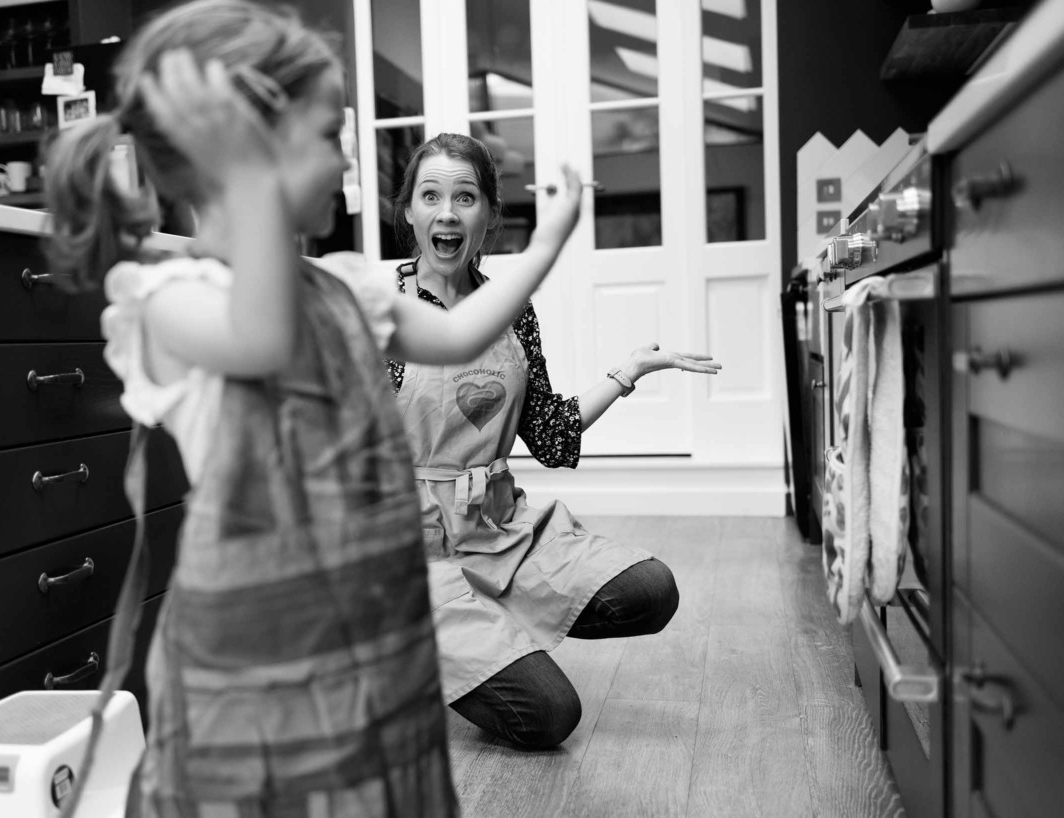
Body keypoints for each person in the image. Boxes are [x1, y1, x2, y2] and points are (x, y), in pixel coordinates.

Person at [41, 4, 586, 815]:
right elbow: (263, 339)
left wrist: (545, 245)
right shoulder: (169, 299)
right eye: (326, 134)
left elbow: (463, 328)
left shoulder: (354, 286)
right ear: (242, 151)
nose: (343, 158)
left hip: (374, 628)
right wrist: (249, 165)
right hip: (255, 658)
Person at [386, 133, 722, 750]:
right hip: (409, 555)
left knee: (651, 591)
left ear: (488, 214)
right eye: (430, 196)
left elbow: (548, 432)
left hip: (497, 530)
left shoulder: (511, 310)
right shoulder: (385, 310)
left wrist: (629, 373)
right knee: (549, 715)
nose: (447, 213)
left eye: (465, 197)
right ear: (408, 210)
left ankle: (485, 626)